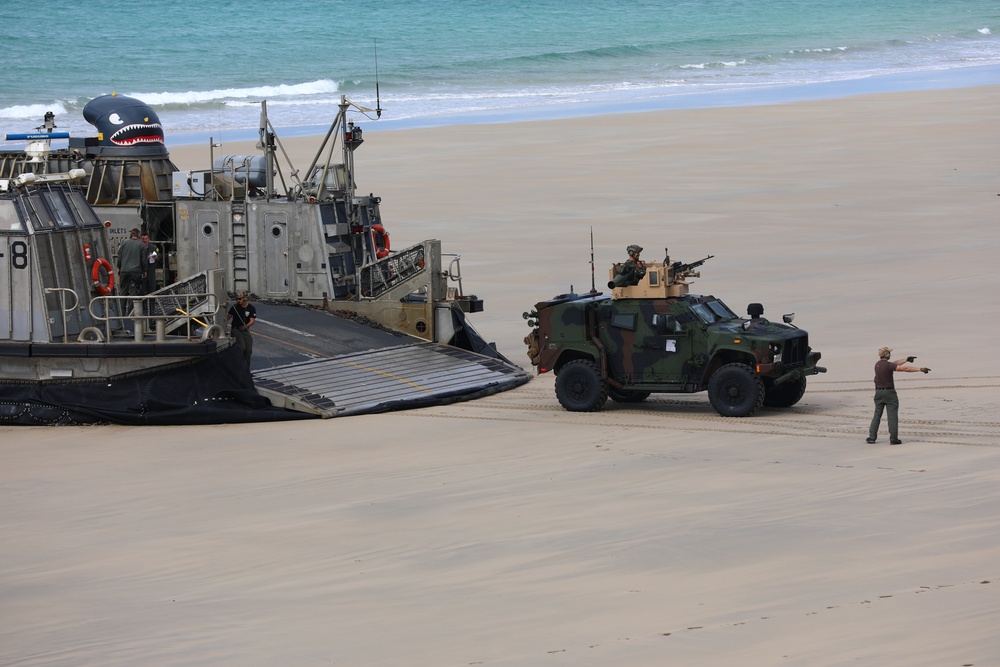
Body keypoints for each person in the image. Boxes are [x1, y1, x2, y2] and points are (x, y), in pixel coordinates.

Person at [867, 346, 930, 445]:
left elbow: (894, 363)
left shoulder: (878, 364)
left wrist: (906, 359)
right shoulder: (888, 365)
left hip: (878, 393)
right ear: (887, 355)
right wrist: (920, 369)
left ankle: (871, 437)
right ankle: (894, 438)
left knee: (877, 414)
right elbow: (905, 369)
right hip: (889, 393)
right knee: (892, 415)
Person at [226, 291, 257, 366]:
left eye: (240, 299)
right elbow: (228, 317)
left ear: (244, 299)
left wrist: (245, 326)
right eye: (237, 299)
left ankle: (246, 368)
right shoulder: (235, 307)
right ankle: (238, 366)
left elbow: (252, 321)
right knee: (242, 347)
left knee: (248, 349)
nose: (238, 301)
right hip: (236, 329)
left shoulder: (251, 308)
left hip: (244, 329)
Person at [117, 228, 146, 296]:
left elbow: (119, 257)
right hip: (136, 271)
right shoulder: (142, 245)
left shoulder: (124, 243)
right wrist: (145, 270)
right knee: (134, 291)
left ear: (131, 234)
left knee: (123, 291)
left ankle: (122, 306)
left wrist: (119, 268)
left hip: (124, 271)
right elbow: (144, 260)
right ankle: (132, 306)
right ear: (138, 235)